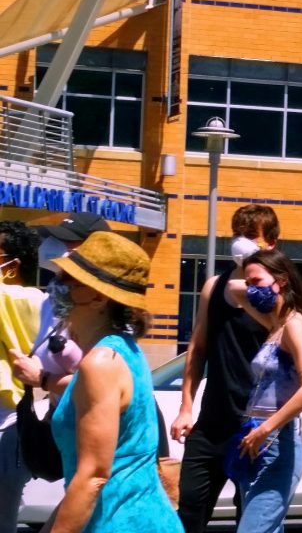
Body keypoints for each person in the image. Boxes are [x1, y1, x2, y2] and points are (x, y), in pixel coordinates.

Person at [46, 231, 182, 532]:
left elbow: (93, 476)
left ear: (98, 296)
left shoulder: (101, 363)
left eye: (69, 280)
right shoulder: (123, 349)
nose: (57, 287)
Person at [171, 204, 279, 532]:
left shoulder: (277, 293)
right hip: (212, 423)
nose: (240, 242)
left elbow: (291, 344)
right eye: (237, 234)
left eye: (250, 236)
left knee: (250, 518)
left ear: (271, 243)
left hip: (256, 425)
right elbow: (198, 348)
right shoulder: (214, 286)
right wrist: (186, 408)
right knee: (189, 511)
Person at [224, 249, 302, 532]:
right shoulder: (276, 324)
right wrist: (255, 277)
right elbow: (232, 287)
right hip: (253, 440)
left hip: (276, 441)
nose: (251, 289)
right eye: (250, 283)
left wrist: (265, 428)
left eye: (257, 282)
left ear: (282, 280)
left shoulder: (296, 326)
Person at [11, 212, 111, 403]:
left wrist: (43, 379)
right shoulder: (55, 292)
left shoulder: (104, 303)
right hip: (62, 410)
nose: (54, 245)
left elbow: (102, 384)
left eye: (68, 240)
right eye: (57, 239)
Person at [0, 220, 44, 532]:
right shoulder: (45, 302)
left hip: (6, 427)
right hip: (16, 425)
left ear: (12, 266)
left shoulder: (13, 298)